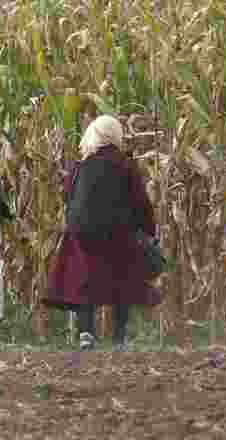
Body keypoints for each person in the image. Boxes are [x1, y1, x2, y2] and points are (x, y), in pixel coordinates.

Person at [44, 115, 159, 351]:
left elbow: (67, 196)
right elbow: (140, 202)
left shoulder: (81, 165)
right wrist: (148, 232)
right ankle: (118, 337)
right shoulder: (126, 165)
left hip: (83, 234)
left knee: (85, 280)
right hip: (120, 234)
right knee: (122, 281)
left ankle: (86, 333)